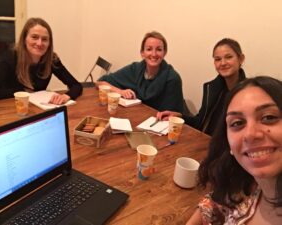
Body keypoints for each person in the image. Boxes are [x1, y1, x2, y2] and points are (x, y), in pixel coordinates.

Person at [186, 76, 282, 225]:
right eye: (237, 123)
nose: (250, 134)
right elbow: (214, 201)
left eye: (269, 117)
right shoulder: (248, 185)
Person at [157, 38, 246, 135]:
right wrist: (180, 117)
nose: (223, 63)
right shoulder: (211, 88)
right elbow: (200, 122)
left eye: (228, 57)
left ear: (241, 59)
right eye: (218, 59)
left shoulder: (247, 94)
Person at [0, 17, 82, 104]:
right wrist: (22, 91)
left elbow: (76, 85)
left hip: (30, 107)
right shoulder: (10, 57)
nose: (39, 43)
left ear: (49, 43)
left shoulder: (52, 60)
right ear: (24, 39)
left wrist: (66, 96)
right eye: (34, 37)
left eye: (44, 39)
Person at [96, 31, 186, 113]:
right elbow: (100, 82)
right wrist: (120, 91)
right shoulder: (135, 69)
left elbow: (175, 115)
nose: (154, 54)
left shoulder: (172, 79)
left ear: (164, 52)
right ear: (142, 53)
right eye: (149, 49)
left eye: (159, 49)